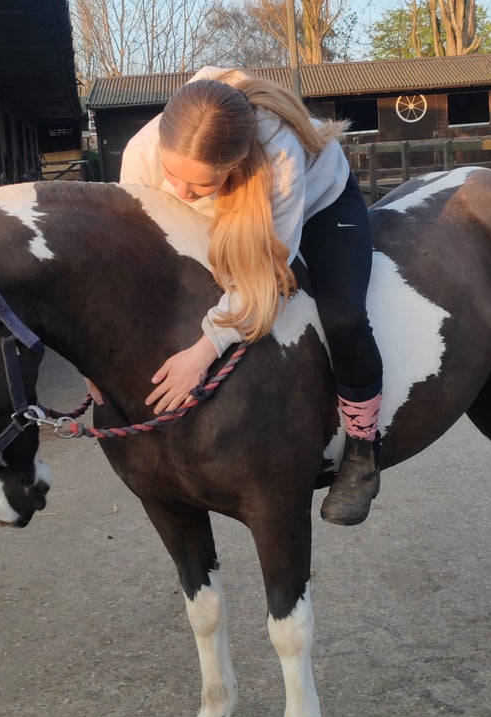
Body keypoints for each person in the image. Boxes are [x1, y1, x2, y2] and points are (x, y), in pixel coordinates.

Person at [120, 66, 383, 526]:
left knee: (344, 316)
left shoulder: (277, 156)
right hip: (230, 210)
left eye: (200, 185)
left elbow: (263, 282)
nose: (179, 192)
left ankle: (363, 449)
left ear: (235, 165)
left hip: (320, 203)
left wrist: (203, 351)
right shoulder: (141, 153)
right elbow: (133, 254)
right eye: (171, 173)